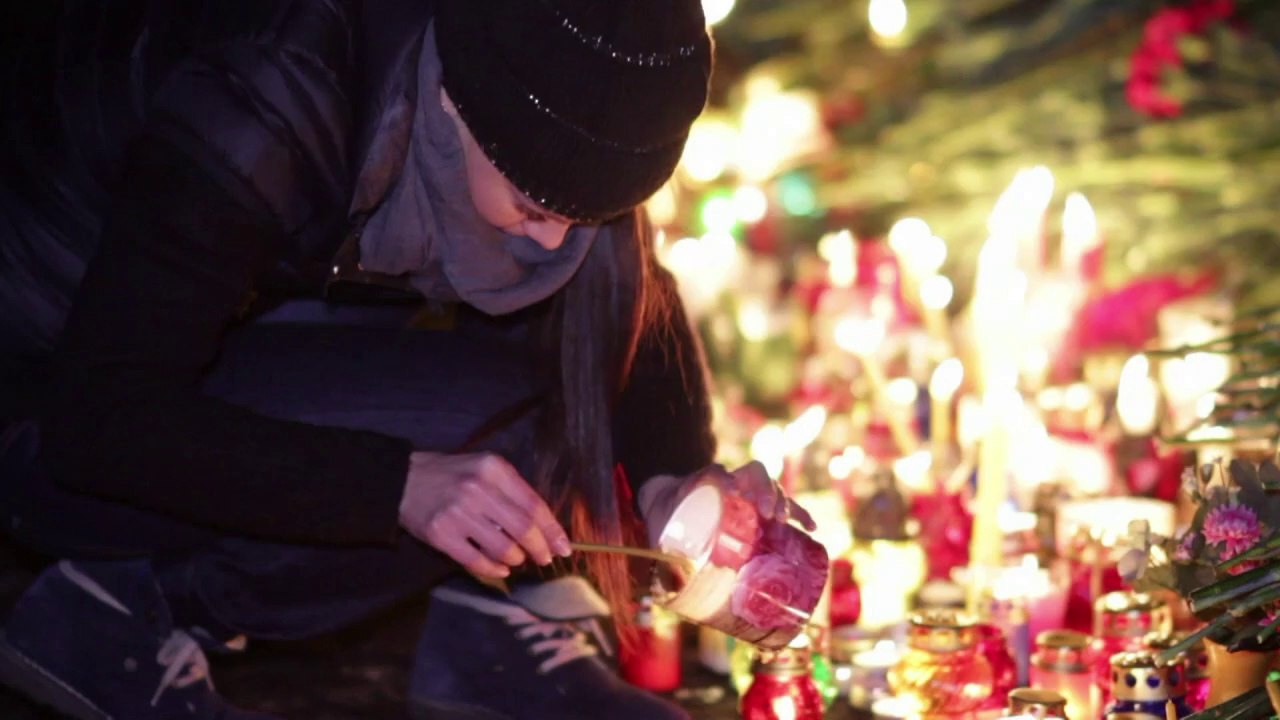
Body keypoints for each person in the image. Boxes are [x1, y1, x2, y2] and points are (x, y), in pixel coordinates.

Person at [0, 1, 817, 719]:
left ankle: (475, 630)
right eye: (537, 206)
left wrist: (674, 477)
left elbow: (628, 301)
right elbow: (98, 416)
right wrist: (395, 486)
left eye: (592, 214)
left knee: (523, 412)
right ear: (457, 101)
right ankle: (113, 609)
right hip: (47, 378)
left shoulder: (539, 104)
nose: (557, 242)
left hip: (218, 324)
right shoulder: (269, 95)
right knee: (475, 450)